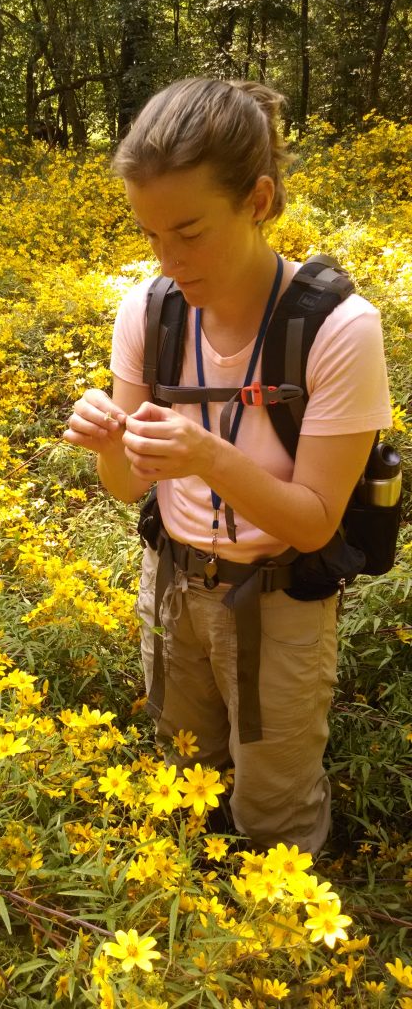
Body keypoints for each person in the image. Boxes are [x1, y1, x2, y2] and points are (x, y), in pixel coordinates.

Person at [63, 78, 392, 855]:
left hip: (280, 600)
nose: (169, 262)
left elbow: (313, 522)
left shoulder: (340, 330)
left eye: (189, 231)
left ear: (259, 200)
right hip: (173, 586)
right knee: (184, 775)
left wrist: (207, 453)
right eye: (150, 237)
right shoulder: (149, 311)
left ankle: (274, 941)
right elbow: (126, 488)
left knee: (274, 806)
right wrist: (113, 445)